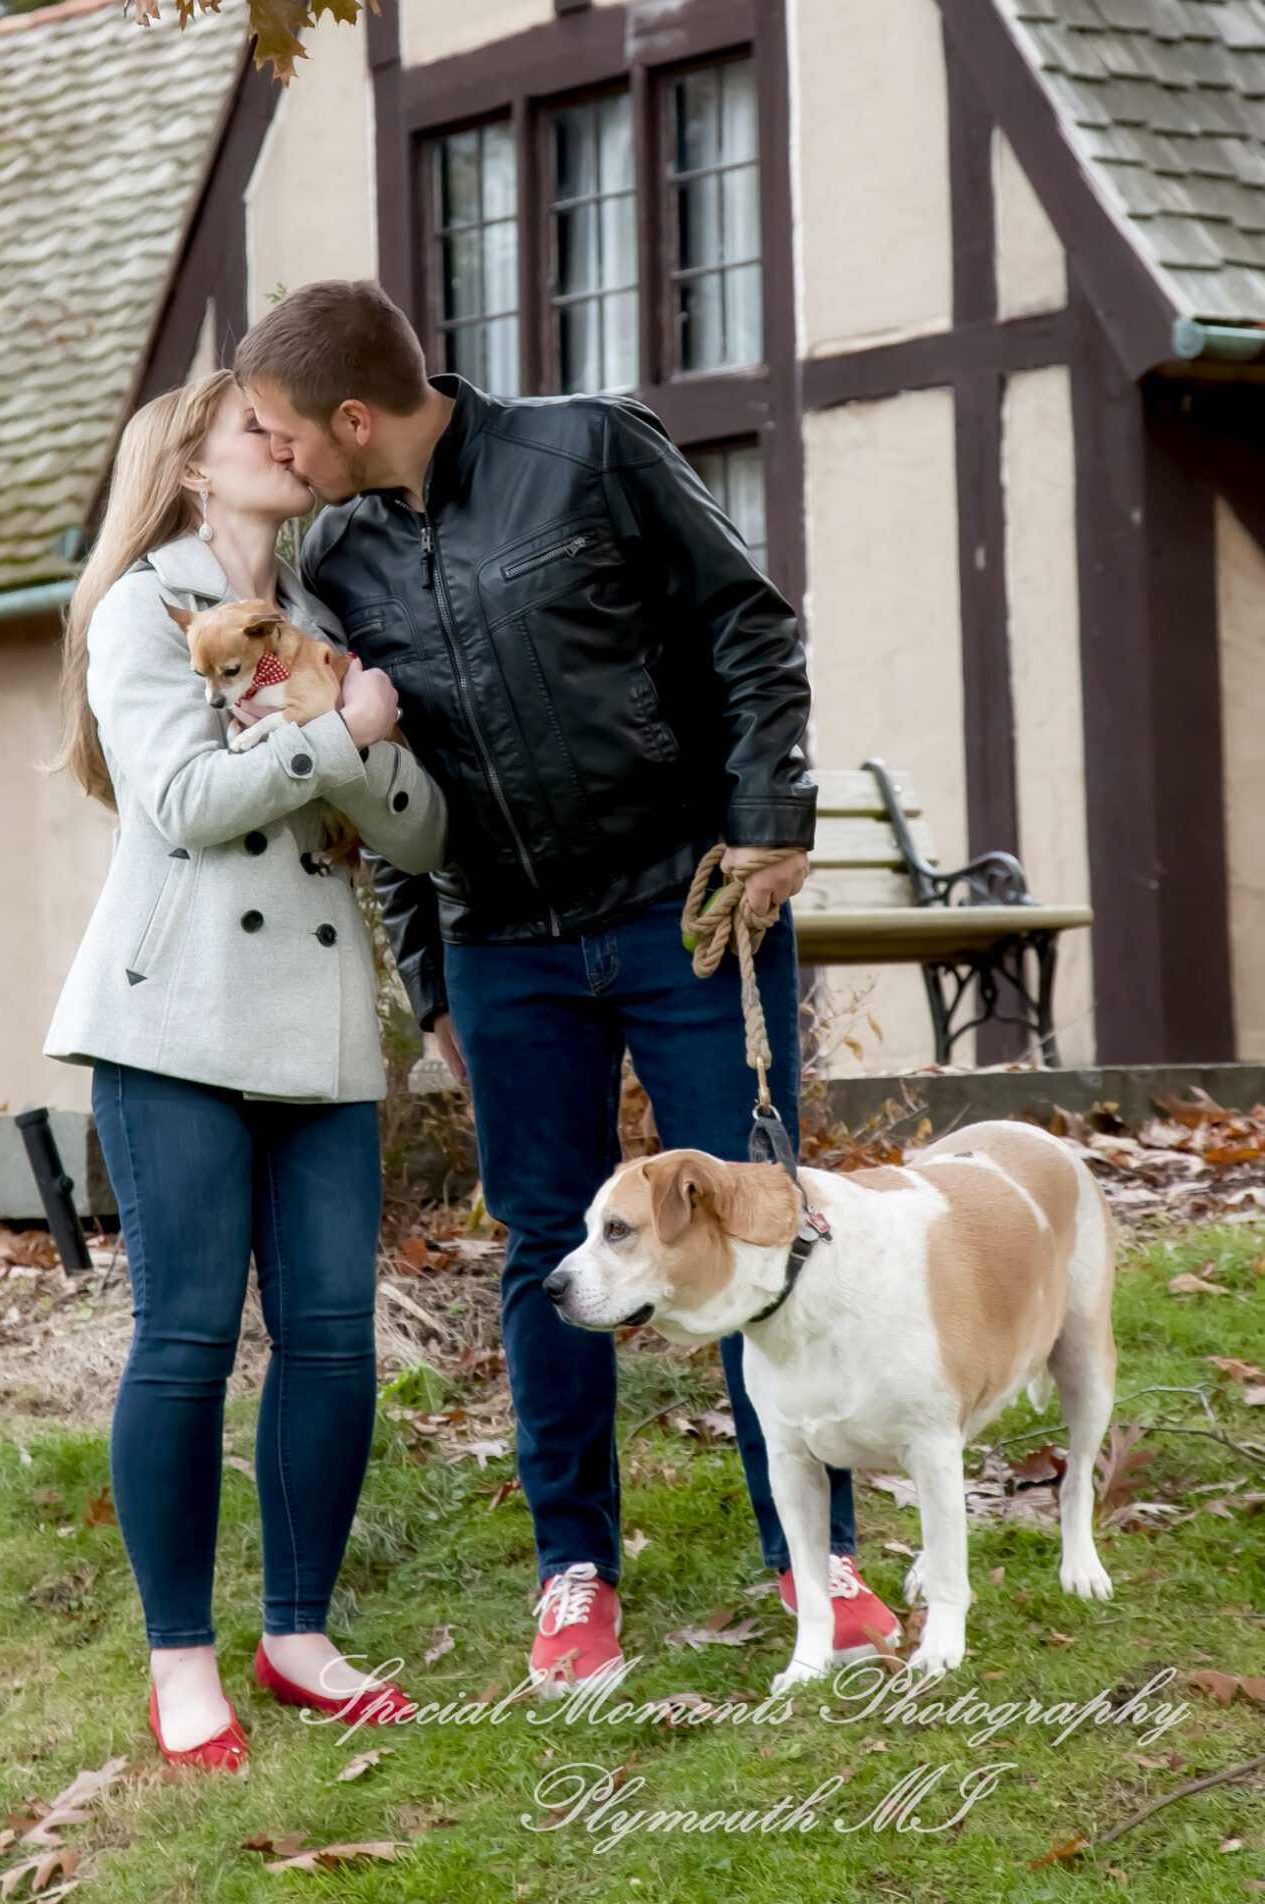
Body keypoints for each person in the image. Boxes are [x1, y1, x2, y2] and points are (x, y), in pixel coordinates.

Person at [233, 282, 898, 1686]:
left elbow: (749, 624)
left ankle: (815, 1558)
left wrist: (772, 809)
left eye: (290, 436)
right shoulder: (338, 562)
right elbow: (384, 793)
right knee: (550, 1251)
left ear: (355, 418)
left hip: (686, 907)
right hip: (504, 949)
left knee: (760, 1213)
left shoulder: (590, 450)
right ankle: (575, 1571)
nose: (279, 460)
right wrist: (436, 988)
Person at [45, 369, 447, 1766]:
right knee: (190, 1337)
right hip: (176, 1017)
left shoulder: (329, 620)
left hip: (322, 1023)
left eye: (286, 426)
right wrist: (338, 737)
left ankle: (300, 1636)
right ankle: (179, 1662)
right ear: (194, 469)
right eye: (251, 431)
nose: (285, 441)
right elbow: (185, 799)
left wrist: (357, 745)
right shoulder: (140, 619)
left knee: (334, 1336)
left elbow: (418, 834)